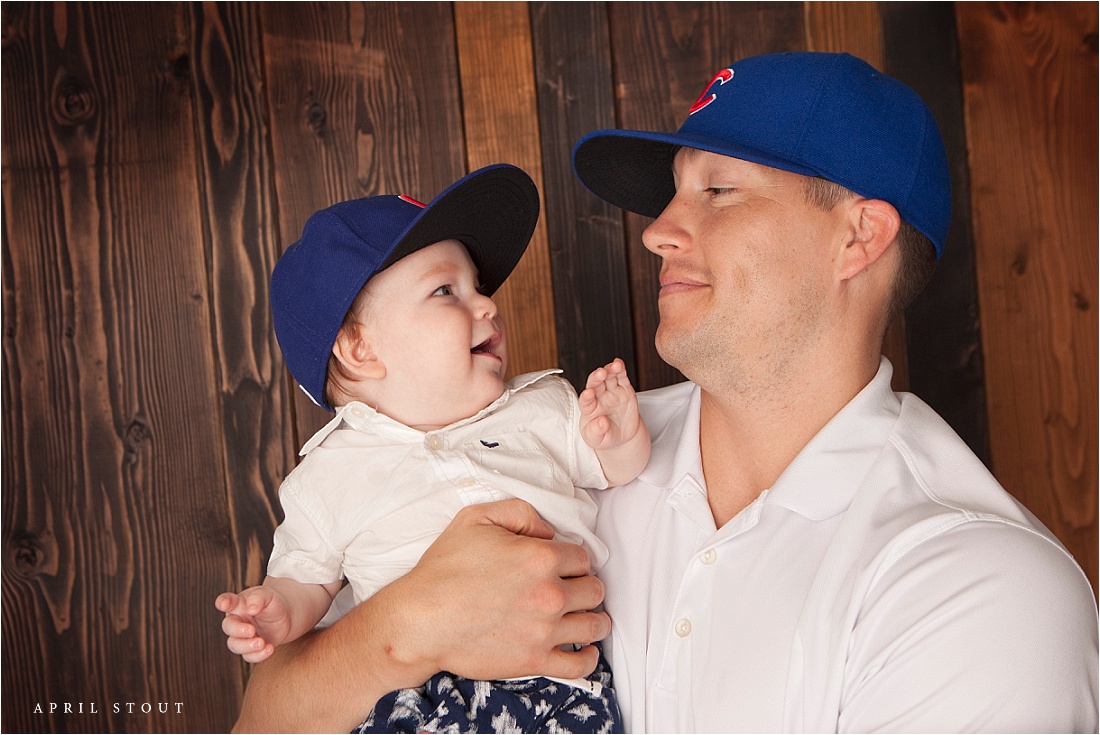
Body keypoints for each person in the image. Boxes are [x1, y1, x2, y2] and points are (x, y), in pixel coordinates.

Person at [233, 52, 1099, 733]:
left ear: (857, 237)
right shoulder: (564, 444)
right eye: (672, 194)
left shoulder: (977, 593)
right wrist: (400, 629)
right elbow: (262, 719)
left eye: (718, 190)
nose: (657, 233)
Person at [218, 164, 648, 733]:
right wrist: (276, 614)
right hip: (416, 695)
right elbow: (308, 578)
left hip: (559, 678)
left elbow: (617, 469)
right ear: (358, 349)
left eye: (480, 287)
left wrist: (617, 434)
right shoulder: (330, 473)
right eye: (446, 290)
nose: (487, 306)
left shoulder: (541, 406)